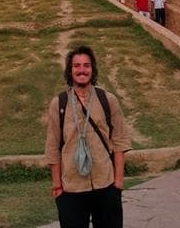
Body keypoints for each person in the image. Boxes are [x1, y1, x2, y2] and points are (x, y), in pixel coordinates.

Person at [45, 45, 131, 228]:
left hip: (106, 184)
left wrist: (118, 183)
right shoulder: (58, 104)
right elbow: (52, 148)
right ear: (70, 70)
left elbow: (120, 141)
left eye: (86, 65)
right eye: (77, 66)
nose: (82, 70)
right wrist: (57, 187)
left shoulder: (108, 100)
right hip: (71, 188)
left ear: (92, 69)